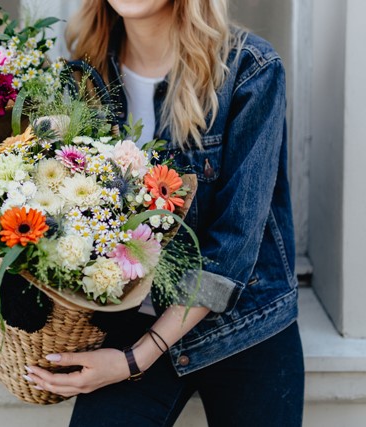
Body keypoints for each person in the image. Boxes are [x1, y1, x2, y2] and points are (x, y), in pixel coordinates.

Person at [23, 1, 305, 426]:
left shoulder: (250, 70)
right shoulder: (83, 75)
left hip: (245, 327)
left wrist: (135, 360)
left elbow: (233, 245)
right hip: (129, 322)